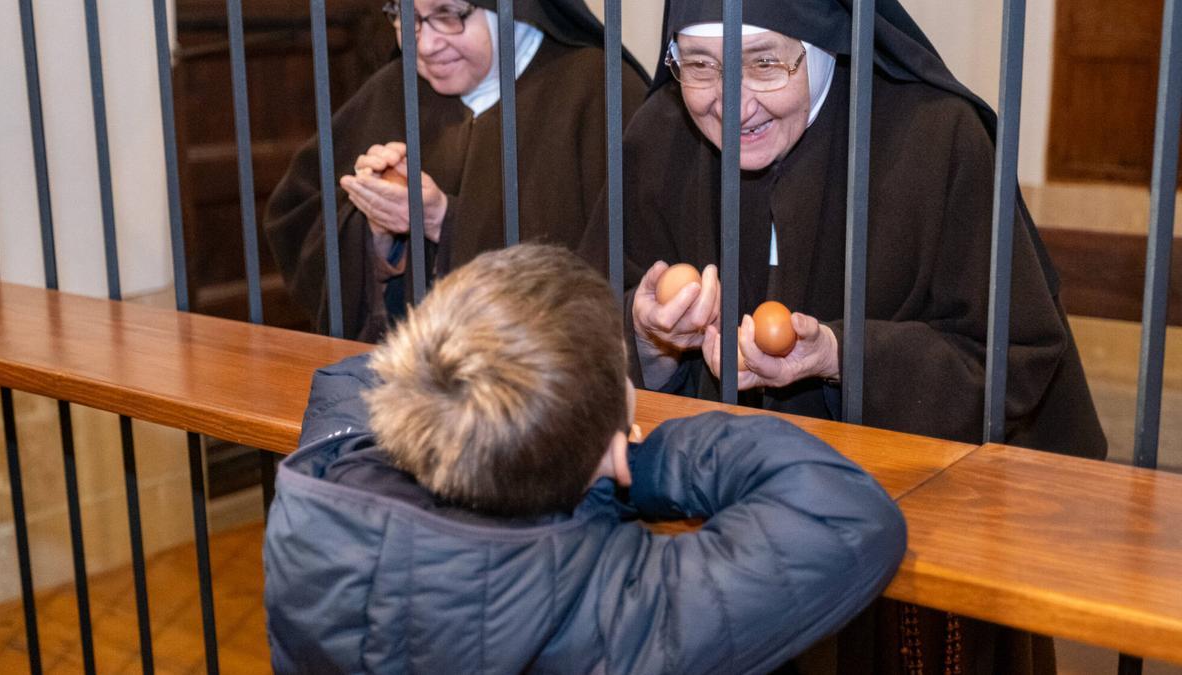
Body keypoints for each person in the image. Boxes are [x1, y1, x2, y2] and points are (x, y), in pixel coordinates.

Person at [578, 0, 1107, 671]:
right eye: (702, 67)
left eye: (766, 63)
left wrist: (840, 356)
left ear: (827, 45)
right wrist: (647, 337)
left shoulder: (936, 137)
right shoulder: (657, 135)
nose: (731, 104)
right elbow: (581, 325)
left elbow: (1014, 359)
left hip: (898, 551)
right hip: (708, 552)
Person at [262, 243, 906, 674]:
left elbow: (358, 378)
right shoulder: (605, 614)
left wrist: (581, 450)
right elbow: (846, 515)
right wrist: (638, 459)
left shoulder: (320, 488)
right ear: (608, 443)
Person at [264, 0, 649, 342]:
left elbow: (615, 269)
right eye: (406, 16)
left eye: (448, 15)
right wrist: (377, 233)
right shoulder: (391, 90)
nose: (425, 45)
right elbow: (296, 219)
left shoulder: (601, 91)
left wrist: (443, 222)